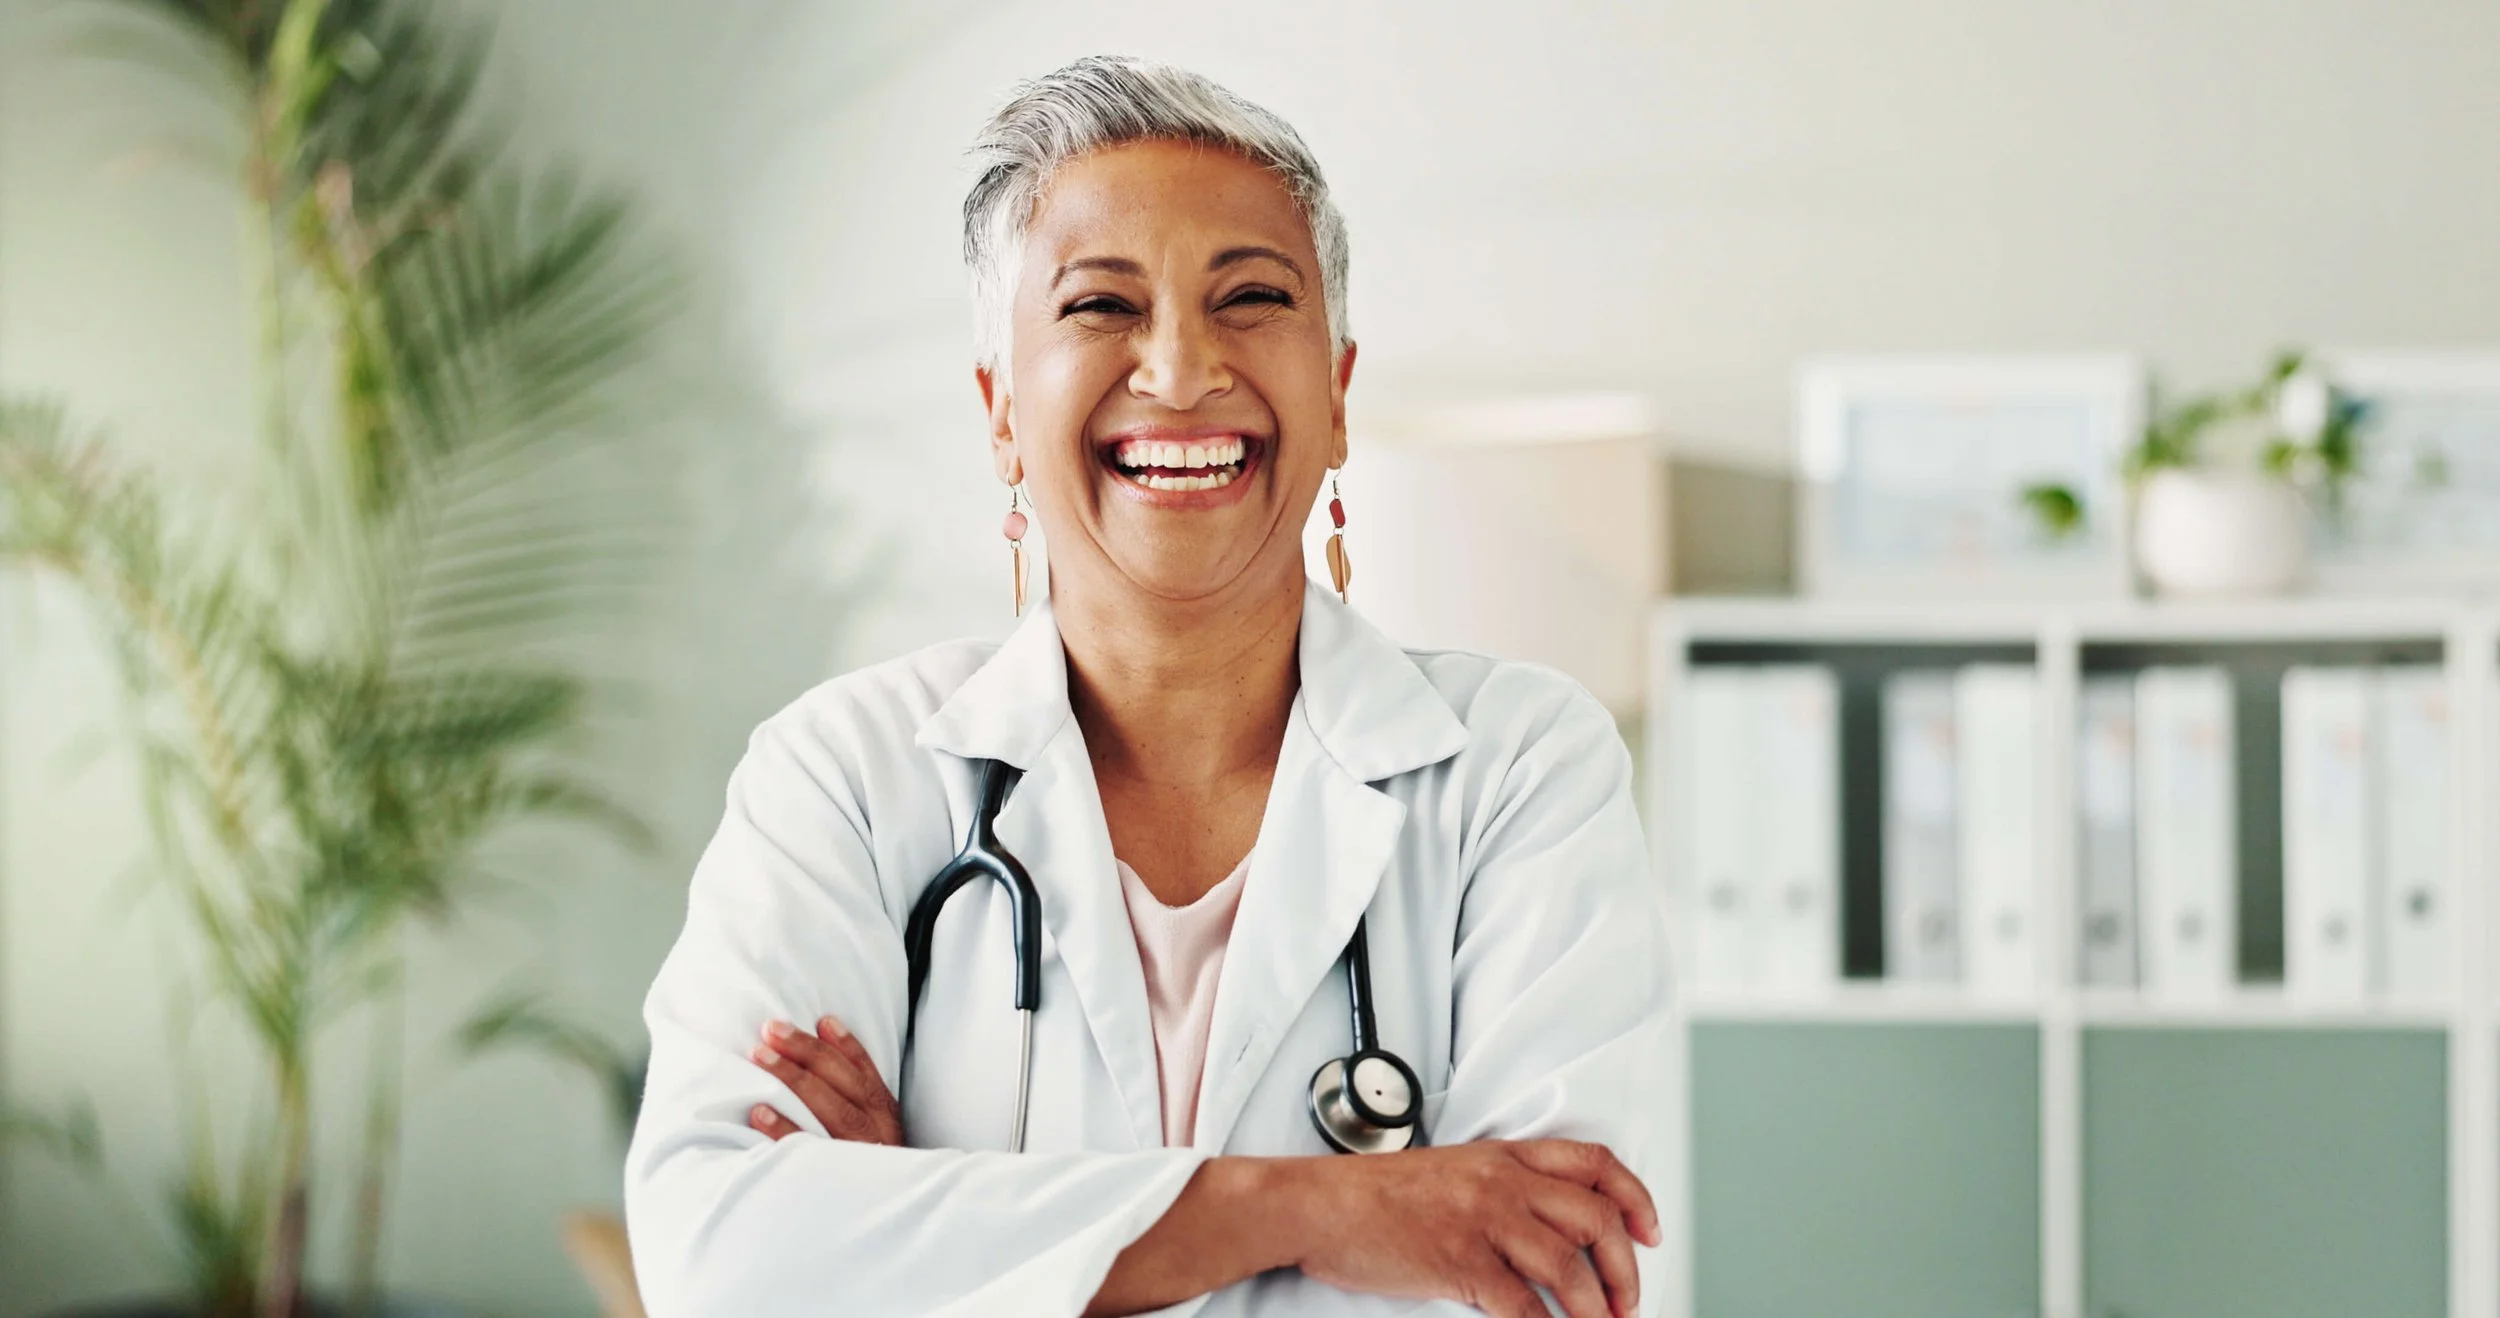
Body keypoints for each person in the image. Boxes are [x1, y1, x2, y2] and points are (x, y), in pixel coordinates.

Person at [623, 55, 1672, 1318]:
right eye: (1100, 306)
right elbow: (720, 1262)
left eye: (1251, 297)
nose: (1179, 370)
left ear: (1336, 396)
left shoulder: (1518, 768)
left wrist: (941, 1228)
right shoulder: (842, 777)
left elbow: (1560, 1278)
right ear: (1001, 410)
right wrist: (1325, 1207)